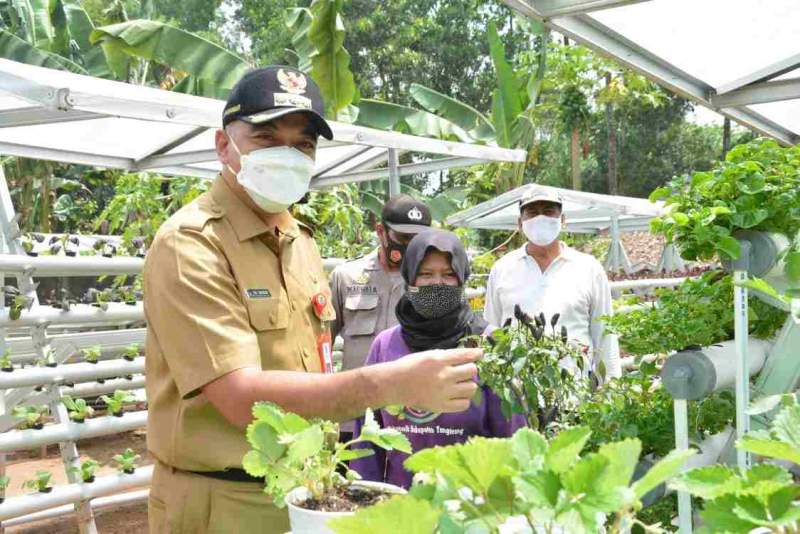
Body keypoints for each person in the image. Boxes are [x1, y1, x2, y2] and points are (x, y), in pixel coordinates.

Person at [143, 66, 481, 534]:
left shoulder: (299, 240)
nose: (288, 154)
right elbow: (241, 399)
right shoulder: (192, 244)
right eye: (266, 138)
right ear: (225, 146)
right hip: (223, 502)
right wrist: (390, 384)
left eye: (303, 144)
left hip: (304, 491)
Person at [350, 229, 525, 489]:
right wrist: (364, 499)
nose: (437, 284)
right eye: (426, 274)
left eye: (448, 274)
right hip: (401, 505)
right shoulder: (386, 345)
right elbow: (367, 436)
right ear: (409, 277)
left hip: (471, 506)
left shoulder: (488, 344)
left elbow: (511, 435)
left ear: (462, 278)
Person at [484, 187, 621, 381]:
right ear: (520, 223)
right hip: (519, 398)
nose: (540, 218)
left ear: (562, 220)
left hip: (575, 393)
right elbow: (492, 332)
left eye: (549, 211)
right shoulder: (502, 269)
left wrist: (610, 389)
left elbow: (605, 337)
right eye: (532, 213)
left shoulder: (589, 269)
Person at [329, 195, 432, 439]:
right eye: (403, 238)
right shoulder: (347, 276)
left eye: (418, 239)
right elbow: (319, 344)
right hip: (354, 415)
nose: (411, 246)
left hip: (409, 418)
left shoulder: (432, 281)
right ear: (380, 231)